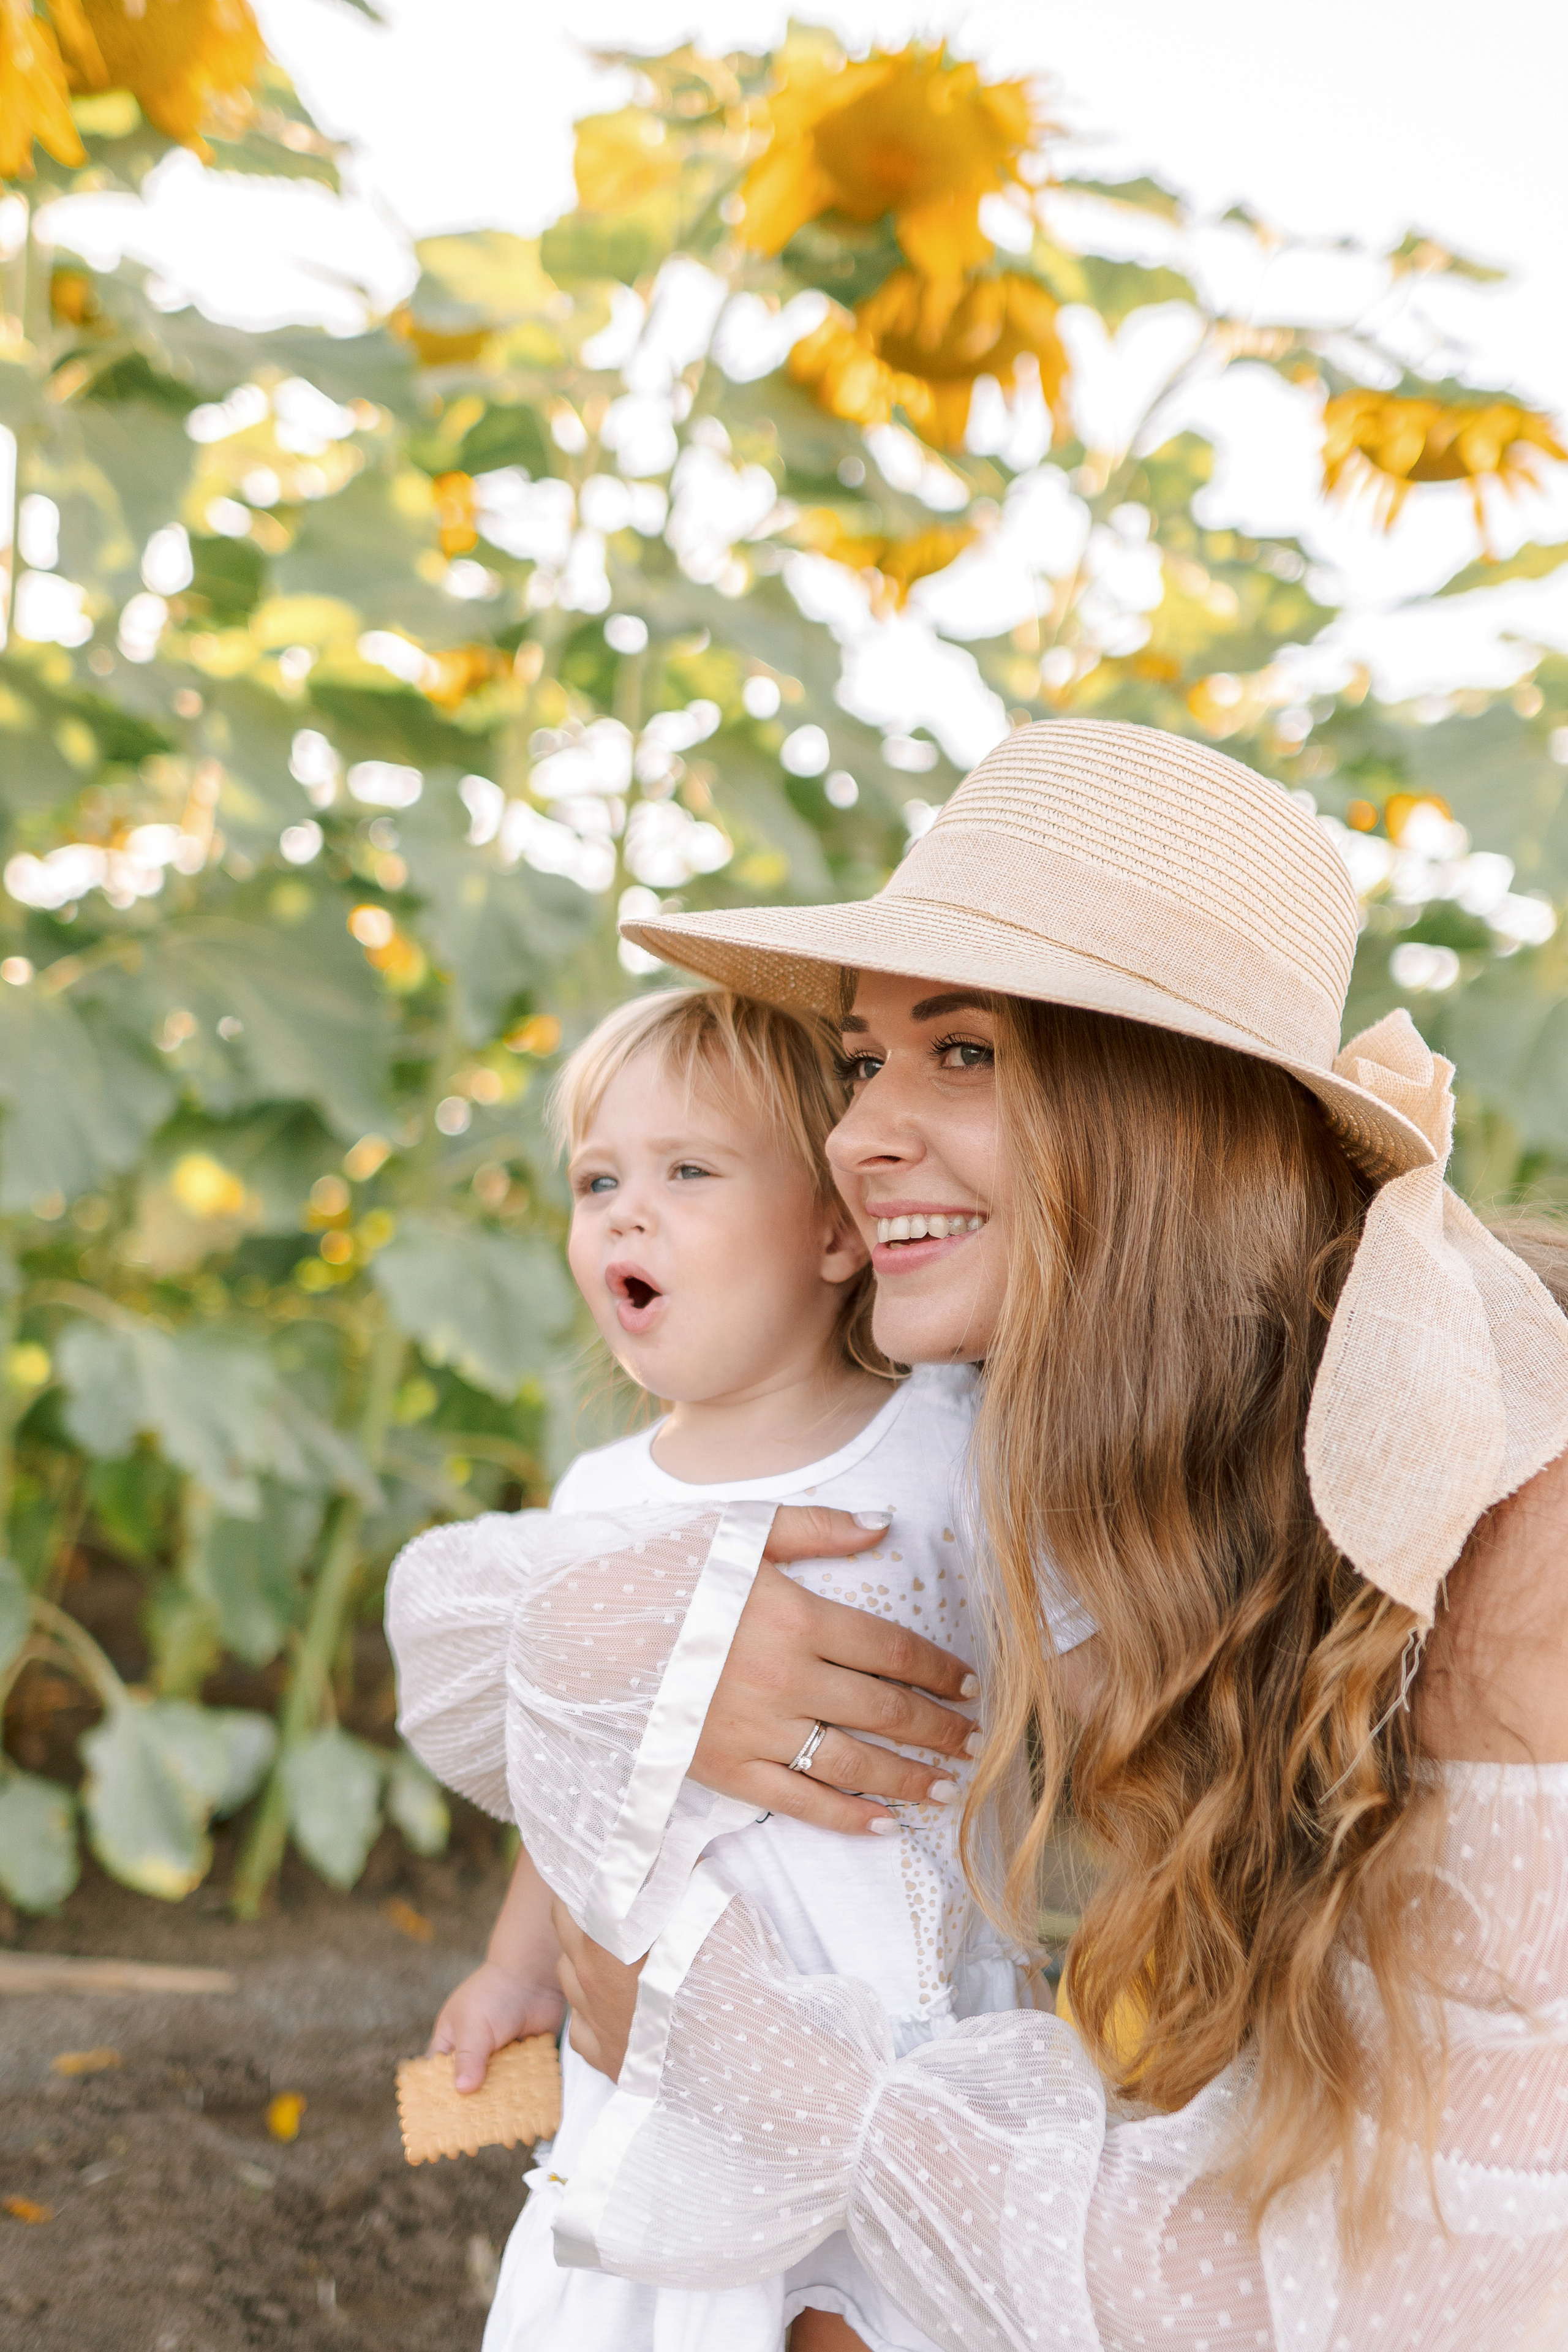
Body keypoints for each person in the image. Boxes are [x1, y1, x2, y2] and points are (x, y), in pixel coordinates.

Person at [393, 718, 1568, 2351]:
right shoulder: (1117, 1466)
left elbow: (1412, 2290)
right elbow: (457, 1631)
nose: (857, 1133)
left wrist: (791, 2096)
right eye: (866, 1061)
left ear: (1176, 1114)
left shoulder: (1523, 1542)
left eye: (965, 1054)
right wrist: (633, 1635)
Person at [391, 984, 1095, 2352]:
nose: (624, 1214)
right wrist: (516, 1965)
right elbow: (583, 1778)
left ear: (839, 1228)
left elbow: (1097, 1689)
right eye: (598, 1180)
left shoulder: (951, 1450)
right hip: (661, 2060)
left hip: (901, 2046)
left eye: (688, 1172)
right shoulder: (599, 1499)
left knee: (866, 2313)